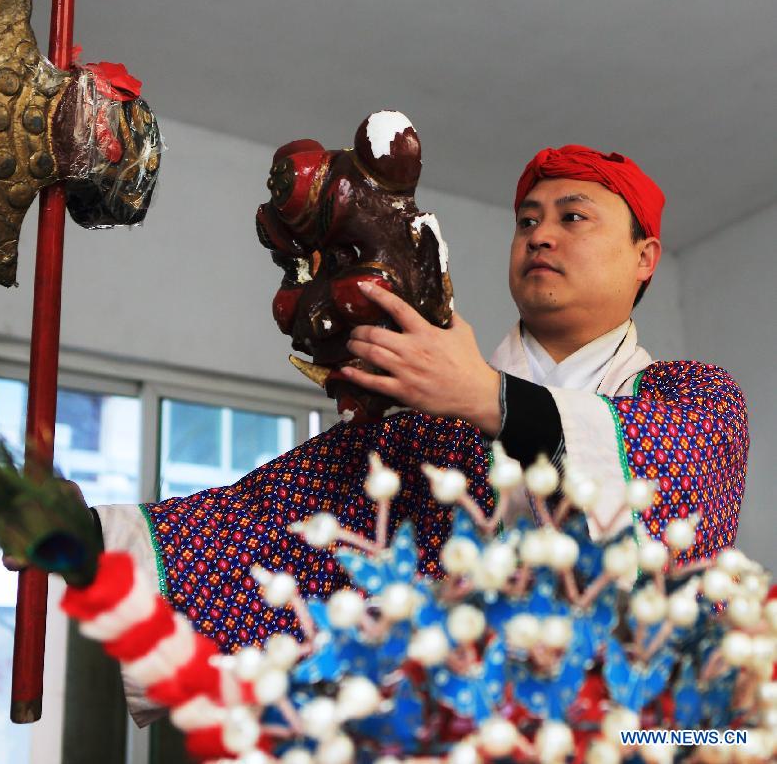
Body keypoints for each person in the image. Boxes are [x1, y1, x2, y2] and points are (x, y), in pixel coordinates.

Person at [86, 145, 748, 724]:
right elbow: (264, 522)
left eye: (572, 217)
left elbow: (668, 477)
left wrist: (486, 397)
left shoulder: (693, 397)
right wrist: (93, 538)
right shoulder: (428, 431)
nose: (541, 235)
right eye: (526, 221)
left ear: (645, 256)